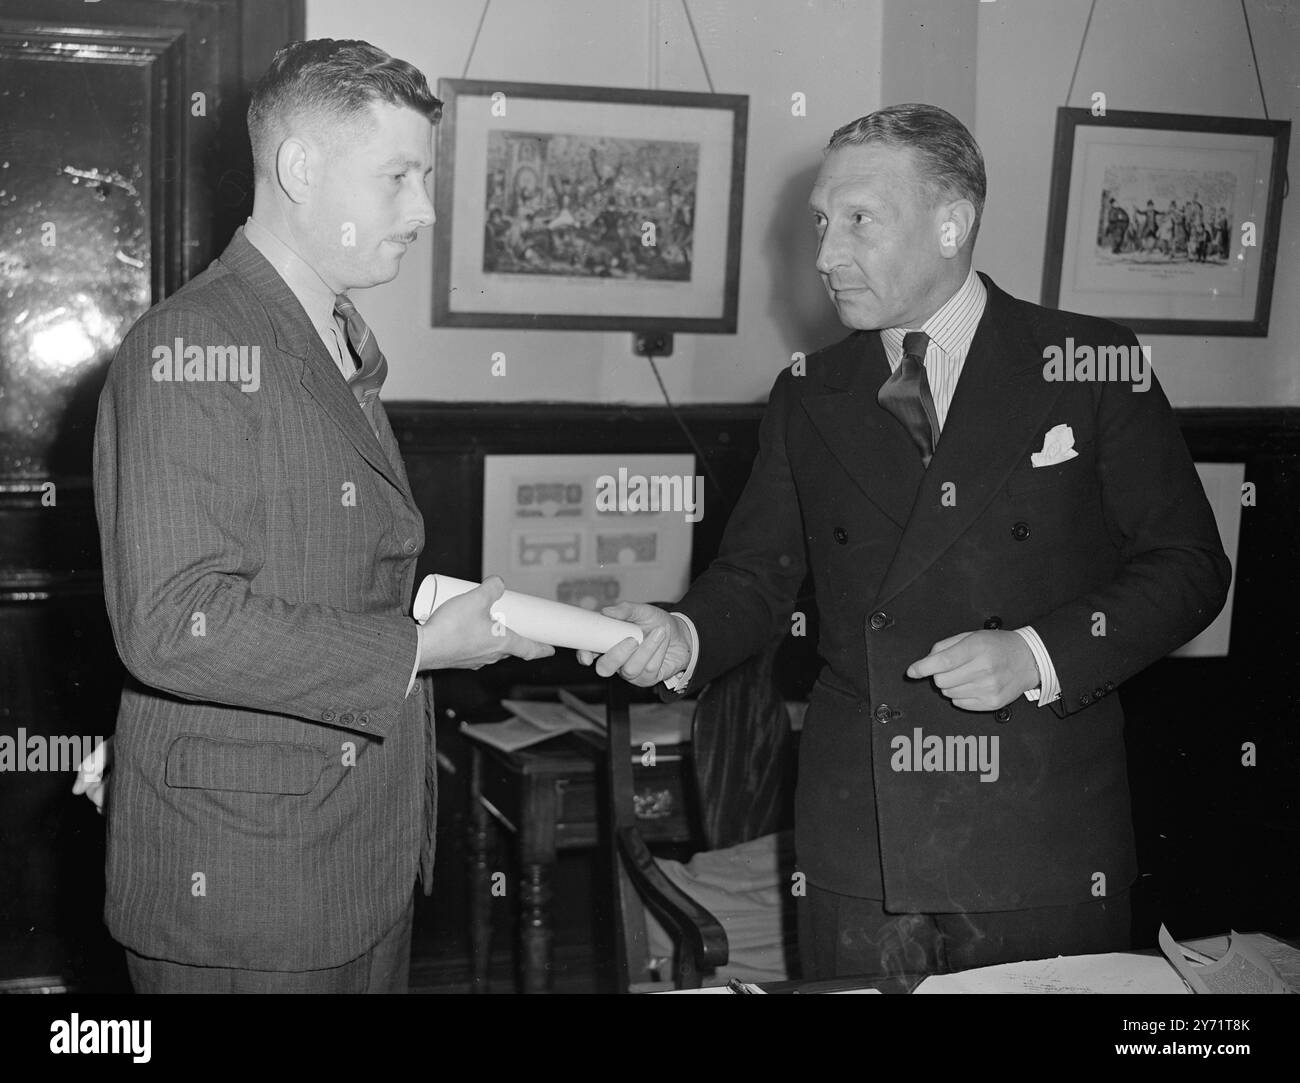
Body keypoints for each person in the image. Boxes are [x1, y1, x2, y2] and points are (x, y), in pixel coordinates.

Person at [580, 104, 1230, 981]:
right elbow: (757, 578)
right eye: (820, 221)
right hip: (859, 836)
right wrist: (682, 632)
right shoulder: (809, 391)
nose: (822, 256)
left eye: (857, 221)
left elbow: (1190, 567)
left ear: (951, 223)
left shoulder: (1090, 361)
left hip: (1038, 826)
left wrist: (1037, 654)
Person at [92, 38, 551, 993]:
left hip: (346, 861)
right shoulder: (191, 344)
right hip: (248, 895)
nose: (424, 210)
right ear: (300, 168)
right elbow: (172, 624)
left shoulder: (325, 331)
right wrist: (418, 651)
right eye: (399, 176)